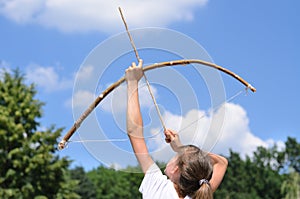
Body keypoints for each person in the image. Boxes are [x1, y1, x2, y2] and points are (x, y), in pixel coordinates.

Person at [125, 59, 228, 199]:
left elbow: (134, 132)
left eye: (176, 156)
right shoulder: (197, 196)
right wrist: (182, 150)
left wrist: (132, 83)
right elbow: (221, 162)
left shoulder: (159, 189)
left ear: (176, 169)